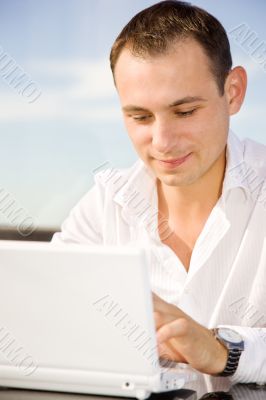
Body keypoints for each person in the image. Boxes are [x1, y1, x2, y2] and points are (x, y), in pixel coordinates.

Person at [52, 0, 266, 383]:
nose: (163, 142)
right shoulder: (106, 204)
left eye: (184, 112)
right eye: (140, 117)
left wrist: (223, 351)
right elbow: (44, 317)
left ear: (233, 92)